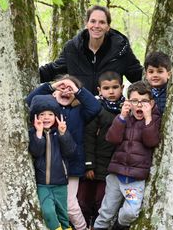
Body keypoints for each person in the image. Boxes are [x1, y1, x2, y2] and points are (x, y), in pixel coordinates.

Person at [26, 75, 101, 230]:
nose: (66, 91)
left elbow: (95, 107)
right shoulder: (48, 111)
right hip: (48, 166)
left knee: (70, 205)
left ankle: (82, 228)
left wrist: (77, 90)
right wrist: (53, 85)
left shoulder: (80, 112)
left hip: (71, 165)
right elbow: (29, 102)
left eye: (70, 90)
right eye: (63, 88)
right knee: (54, 207)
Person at [93, 81, 161, 230]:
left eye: (144, 101)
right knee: (106, 210)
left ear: (152, 103)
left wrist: (148, 119)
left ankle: (119, 225)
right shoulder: (123, 118)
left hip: (135, 180)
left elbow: (151, 141)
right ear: (128, 102)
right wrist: (122, 117)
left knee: (131, 212)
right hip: (116, 176)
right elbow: (112, 138)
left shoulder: (154, 119)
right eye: (134, 101)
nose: (139, 105)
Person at [39, 5, 143, 95]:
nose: (96, 26)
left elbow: (138, 75)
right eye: (93, 21)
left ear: (108, 27)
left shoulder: (120, 50)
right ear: (87, 24)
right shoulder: (72, 48)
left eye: (102, 22)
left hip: (109, 112)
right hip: (79, 109)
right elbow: (52, 70)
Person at [77, 71, 125, 229]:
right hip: (93, 163)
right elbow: (89, 137)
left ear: (122, 88)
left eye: (115, 87)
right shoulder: (97, 110)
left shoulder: (125, 111)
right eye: (106, 88)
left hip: (111, 166)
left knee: (101, 201)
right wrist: (89, 164)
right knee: (83, 200)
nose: (111, 91)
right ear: (99, 90)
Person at [28, 94, 76, 230]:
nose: (46, 117)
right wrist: (38, 133)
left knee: (63, 215)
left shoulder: (59, 132)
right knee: (48, 212)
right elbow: (36, 152)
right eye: (42, 114)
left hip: (60, 183)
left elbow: (70, 151)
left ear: (56, 116)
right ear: (35, 117)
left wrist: (63, 134)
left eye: (50, 114)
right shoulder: (33, 133)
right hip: (43, 184)